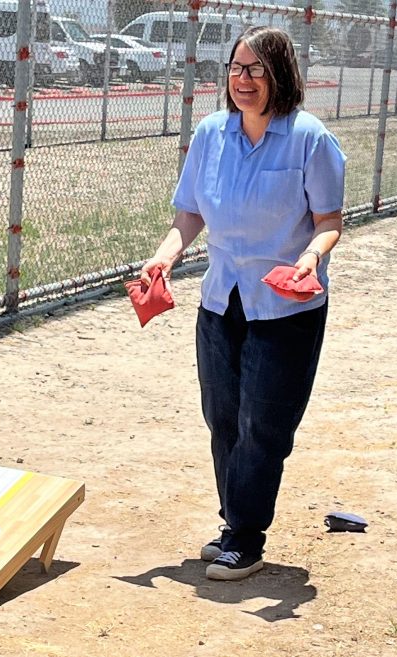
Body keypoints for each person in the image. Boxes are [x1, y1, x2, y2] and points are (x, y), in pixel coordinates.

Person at [139, 26, 346, 581]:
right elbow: (190, 214)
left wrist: (310, 256)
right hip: (221, 298)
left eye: (256, 69)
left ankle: (246, 537)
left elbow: (329, 222)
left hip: (285, 305)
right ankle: (235, 521)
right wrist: (165, 256)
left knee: (264, 423)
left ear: (281, 75)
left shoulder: (309, 138)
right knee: (222, 415)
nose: (243, 80)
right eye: (235, 68)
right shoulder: (210, 133)